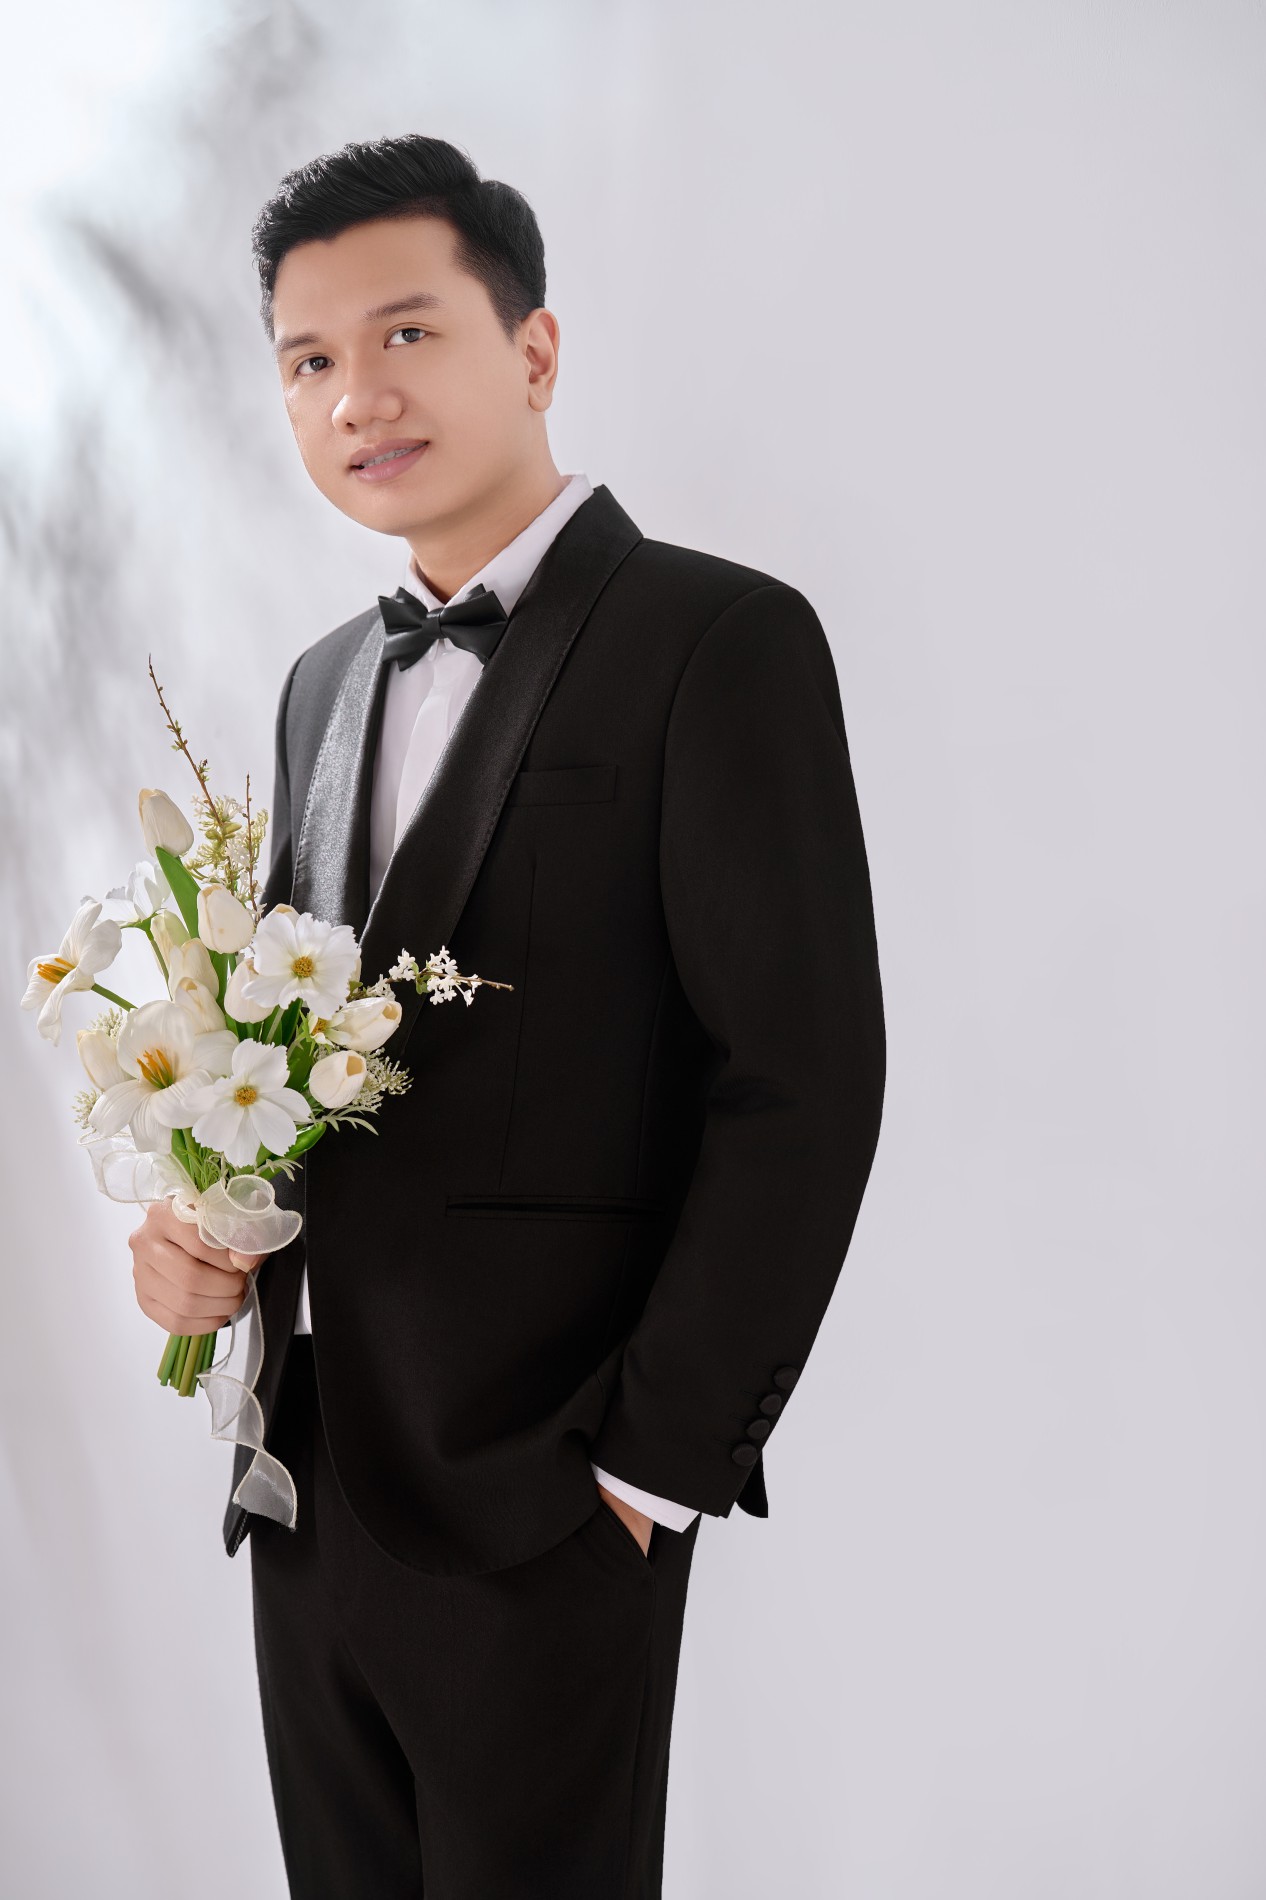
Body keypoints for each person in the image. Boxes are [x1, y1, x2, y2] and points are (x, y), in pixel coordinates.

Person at [128, 132, 887, 1899]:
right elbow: (300, 1069)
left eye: (406, 333)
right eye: (309, 360)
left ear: (532, 351)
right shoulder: (321, 683)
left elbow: (798, 1084)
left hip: (550, 1500)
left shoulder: (717, 639)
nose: (356, 396)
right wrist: (202, 1234)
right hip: (303, 1484)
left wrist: (646, 1474)